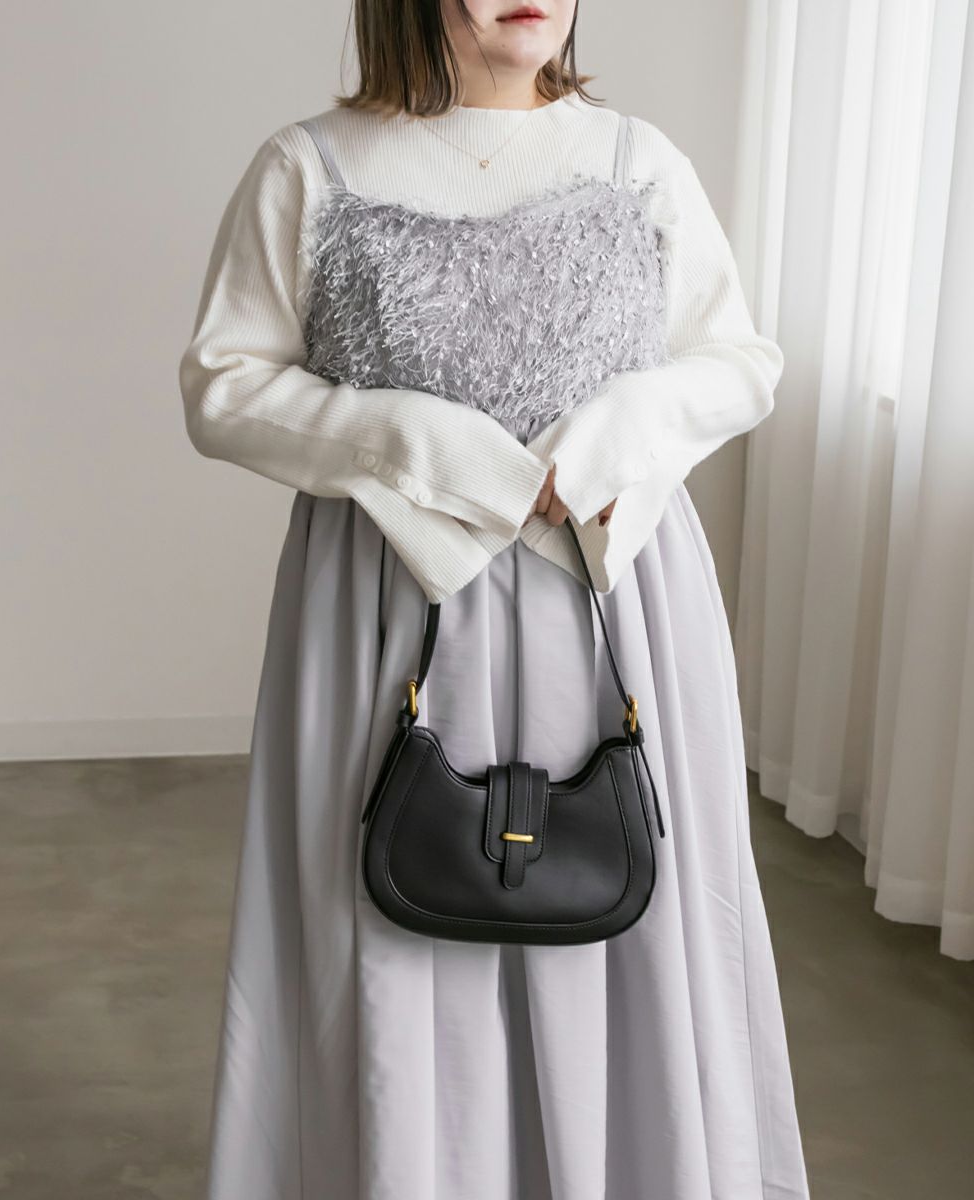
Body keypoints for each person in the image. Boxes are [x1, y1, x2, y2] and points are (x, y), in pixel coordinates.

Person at [177, 2, 811, 1197]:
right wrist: (412, 440)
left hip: (614, 599)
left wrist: (613, 434)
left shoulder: (634, 159)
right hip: (388, 614)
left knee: (628, 908)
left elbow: (737, 362)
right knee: (389, 913)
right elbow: (223, 385)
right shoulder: (309, 167)